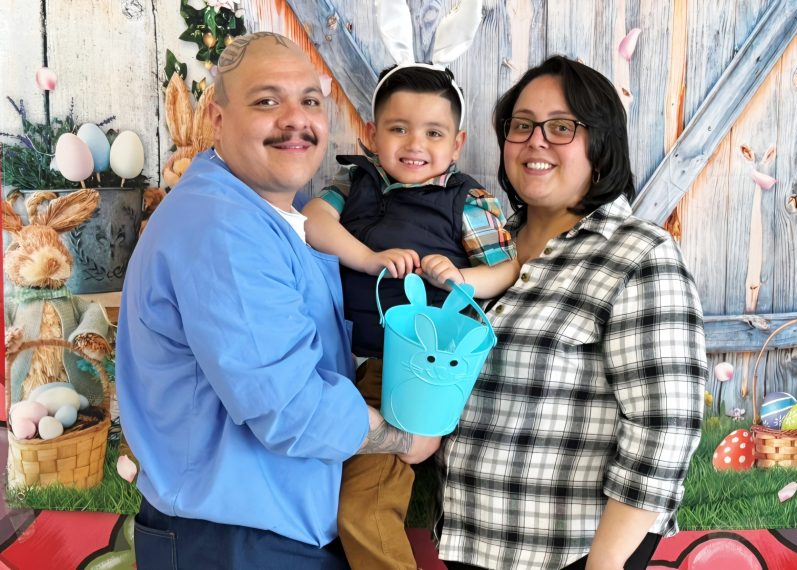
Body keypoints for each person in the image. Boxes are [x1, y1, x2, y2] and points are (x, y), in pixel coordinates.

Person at [115, 32, 438, 569]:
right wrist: (404, 439)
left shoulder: (281, 215)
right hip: (233, 544)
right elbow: (291, 409)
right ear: (217, 120)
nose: (295, 118)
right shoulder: (223, 228)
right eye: (267, 101)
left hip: (261, 536)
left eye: (310, 101)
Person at [436, 56, 708, 570]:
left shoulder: (636, 253)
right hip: (470, 543)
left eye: (561, 127)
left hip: (573, 555)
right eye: (521, 126)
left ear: (601, 146)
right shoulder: (482, 249)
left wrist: (604, 566)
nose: (535, 140)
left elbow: (664, 427)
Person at [301, 64, 519, 570]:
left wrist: (461, 280)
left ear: (458, 142)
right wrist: (369, 258)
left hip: (404, 371)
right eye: (398, 128)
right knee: (312, 492)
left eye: (434, 132)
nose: (414, 143)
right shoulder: (354, 181)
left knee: (365, 505)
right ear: (373, 134)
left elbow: (507, 271)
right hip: (334, 362)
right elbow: (312, 221)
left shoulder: (467, 201)